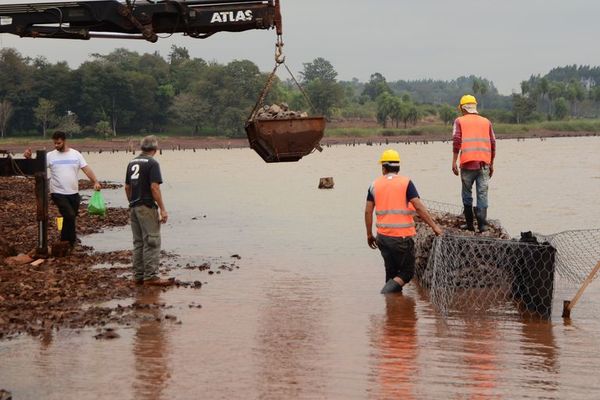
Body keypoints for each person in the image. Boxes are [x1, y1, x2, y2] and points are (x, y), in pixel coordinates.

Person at [365, 149, 443, 294]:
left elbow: (368, 211)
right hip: (401, 238)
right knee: (407, 273)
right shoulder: (406, 183)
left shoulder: (374, 185)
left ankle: (392, 311)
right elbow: (418, 206)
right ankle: (385, 294)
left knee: (391, 273)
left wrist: (369, 235)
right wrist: (434, 227)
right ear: (398, 167)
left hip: (382, 238)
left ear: (383, 167)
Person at [125, 135, 172, 287]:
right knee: (152, 241)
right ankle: (151, 276)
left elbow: (127, 187)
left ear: (142, 147)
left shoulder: (132, 162)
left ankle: (138, 275)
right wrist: (163, 209)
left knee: (138, 242)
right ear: (155, 149)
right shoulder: (152, 163)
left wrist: (132, 203)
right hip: (146, 206)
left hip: (134, 206)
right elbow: (154, 187)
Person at [46, 131, 101, 250]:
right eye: (55, 143)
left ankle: (68, 242)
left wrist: (95, 181)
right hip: (57, 192)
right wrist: (28, 158)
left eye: (59, 143)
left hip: (73, 193)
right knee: (69, 215)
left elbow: (86, 169)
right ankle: (69, 241)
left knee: (71, 217)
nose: (56, 145)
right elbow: (37, 166)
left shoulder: (76, 154)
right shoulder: (50, 156)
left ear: (64, 141)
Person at [451, 94, 496, 232]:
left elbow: (457, 141)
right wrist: (492, 163)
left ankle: (470, 224)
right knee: (482, 193)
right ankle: (482, 225)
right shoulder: (486, 121)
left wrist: (454, 161)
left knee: (466, 193)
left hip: (467, 164)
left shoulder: (459, 121)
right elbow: (493, 143)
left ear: (463, 109)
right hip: (484, 164)